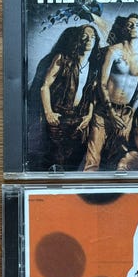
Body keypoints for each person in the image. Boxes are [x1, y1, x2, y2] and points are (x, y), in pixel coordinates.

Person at [84, 14, 138, 171]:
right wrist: (110, 112)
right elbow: (102, 83)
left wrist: (131, 113)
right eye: (130, 24)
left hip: (125, 113)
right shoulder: (113, 51)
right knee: (92, 159)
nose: (133, 27)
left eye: (137, 25)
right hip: (104, 110)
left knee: (117, 158)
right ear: (124, 29)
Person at [28, 24, 101, 171]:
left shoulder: (94, 66)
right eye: (85, 36)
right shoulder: (63, 59)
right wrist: (49, 113)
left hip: (79, 120)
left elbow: (91, 94)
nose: (89, 40)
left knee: (71, 163)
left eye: (93, 37)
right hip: (59, 116)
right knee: (51, 161)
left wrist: (89, 116)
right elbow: (44, 86)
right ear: (78, 39)